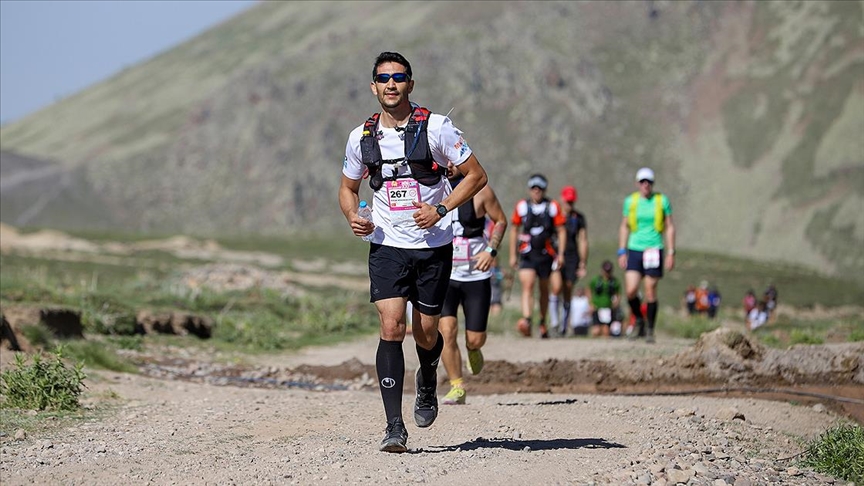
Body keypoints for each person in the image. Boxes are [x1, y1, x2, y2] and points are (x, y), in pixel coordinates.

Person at [338, 51, 488, 453]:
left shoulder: (437, 128)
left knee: (425, 333)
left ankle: (427, 375)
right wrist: (354, 216)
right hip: (386, 243)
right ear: (373, 86)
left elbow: (476, 175)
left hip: (433, 245)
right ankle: (393, 427)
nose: (391, 84)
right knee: (391, 327)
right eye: (383, 78)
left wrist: (441, 208)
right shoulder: (361, 137)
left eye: (399, 77)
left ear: (410, 84)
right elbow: (348, 188)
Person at [439, 163, 508, 405]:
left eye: (452, 161)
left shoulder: (481, 191)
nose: (447, 165)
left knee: (474, 339)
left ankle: (473, 349)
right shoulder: (433, 189)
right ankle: (457, 386)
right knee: (446, 333)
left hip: (475, 275)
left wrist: (491, 251)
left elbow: (500, 220)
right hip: (445, 275)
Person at [617, 167, 675, 343]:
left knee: (650, 289)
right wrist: (622, 250)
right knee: (631, 290)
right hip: (634, 248)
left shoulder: (661, 201)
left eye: (648, 182)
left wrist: (671, 252)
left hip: (654, 249)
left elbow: (670, 226)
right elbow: (624, 226)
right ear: (637, 183)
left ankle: (650, 329)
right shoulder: (631, 202)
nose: (645, 185)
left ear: (653, 184)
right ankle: (639, 320)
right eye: (642, 182)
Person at [509, 174, 567, 339]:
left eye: (540, 188)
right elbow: (514, 229)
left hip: (546, 254)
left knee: (545, 288)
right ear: (530, 189)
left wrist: (561, 254)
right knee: (528, 285)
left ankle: (542, 321)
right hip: (527, 254)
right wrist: (513, 254)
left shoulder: (553, 206)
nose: (536, 191)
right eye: (534, 188)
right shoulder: (522, 207)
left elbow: (561, 230)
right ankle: (527, 320)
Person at [548, 185, 588, 336]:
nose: (569, 205)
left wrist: (583, 262)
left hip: (572, 257)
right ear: (561, 199)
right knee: (556, 287)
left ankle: (564, 326)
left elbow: (583, 240)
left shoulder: (578, 218)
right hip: (555, 255)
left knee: (567, 289)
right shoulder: (553, 215)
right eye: (567, 201)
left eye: (571, 202)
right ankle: (554, 323)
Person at [585, 260, 621, 338]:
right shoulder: (596, 280)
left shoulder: (614, 282)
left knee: (606, 331)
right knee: (596, 331)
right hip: (597, 308)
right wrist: (590, 303)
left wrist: (616, 303)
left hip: (608, 308)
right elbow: (588, 290)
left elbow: (618, 294)